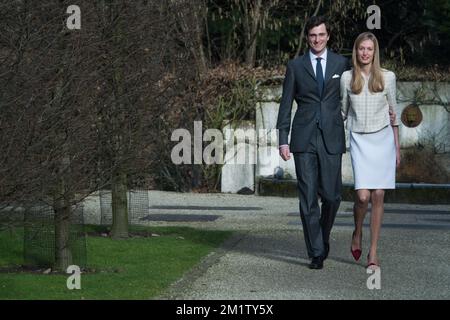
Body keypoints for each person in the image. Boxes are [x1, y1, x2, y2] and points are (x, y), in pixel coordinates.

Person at [276, 16, 350, 269]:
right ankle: (316, 252)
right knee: (307, 197)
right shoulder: (295, 66)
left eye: (321, 35)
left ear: (328, 36)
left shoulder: (342, 63)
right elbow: (286, 104)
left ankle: (322, 235)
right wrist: (282, 140)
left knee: (332, 197)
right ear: (307, 38)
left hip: (331, 136)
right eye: (312, 35)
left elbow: (355, 93)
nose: (316, 39)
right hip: (303, 138)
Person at [340, 32, 400, 269]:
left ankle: (373, 253)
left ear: (375, 52)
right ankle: (357, 232)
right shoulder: (346, 78)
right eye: (361, 49)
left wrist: (397, 148)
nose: (365, 53)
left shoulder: (388, 77)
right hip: (359, 140)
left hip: (383, 139)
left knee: (378, 195)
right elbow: (342, 113)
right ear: (355, 51)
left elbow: (394, 113)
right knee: (363, 196)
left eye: (369, 49)